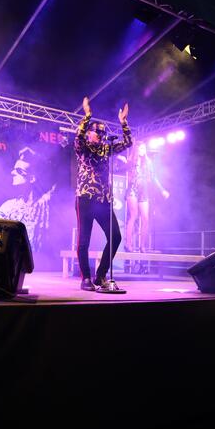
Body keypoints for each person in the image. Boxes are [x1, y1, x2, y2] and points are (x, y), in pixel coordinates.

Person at [75, 96, 132, 291]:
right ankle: (85, 278)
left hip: (103, 201)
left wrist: (123, 123)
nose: (100, 135)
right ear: (89, 133)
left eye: (102, 132)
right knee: (84, 240)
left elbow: (128, 143)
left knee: (115, 236)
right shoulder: (82, 148)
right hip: (85, 198)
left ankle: (100, 276)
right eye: (96, 132)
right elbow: (78, 137)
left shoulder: (107, 149)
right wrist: (87, 116)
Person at [124, 141, 169, 259]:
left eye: (144, 148)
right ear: (136, 150)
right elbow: (124, 170)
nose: (142, 151)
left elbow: (154, 177)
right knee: (133, 215)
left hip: (143, 191)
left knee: (145, 218)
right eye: (140, 149)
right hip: (132, 189)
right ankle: (128, 244)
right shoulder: (131, 161)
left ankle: (142, 246)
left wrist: (162, 190)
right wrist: (125, 162)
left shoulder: (148, 162)